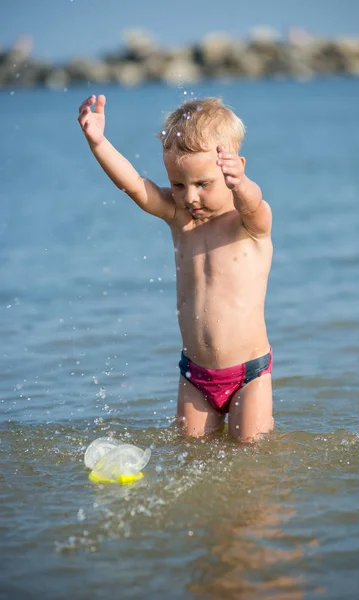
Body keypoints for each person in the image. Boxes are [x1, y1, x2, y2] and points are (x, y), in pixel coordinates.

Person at [78, 94, 273, 442]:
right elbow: (136, 186)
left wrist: (241, 184)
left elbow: (254, 201)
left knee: (251, 454)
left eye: (203, 184)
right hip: (195, 375)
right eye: (179, 185)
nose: (190, 197)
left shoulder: (248, 223)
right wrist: (98, 143)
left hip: (248, 375)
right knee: (191, 453)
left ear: (233, 168)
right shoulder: (180, 219)